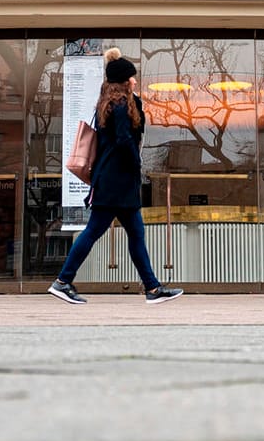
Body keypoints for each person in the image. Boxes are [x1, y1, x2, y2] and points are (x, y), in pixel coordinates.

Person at [48, 49, 184, 305]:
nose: (135, 81)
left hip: (115, 181)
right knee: (94, 231)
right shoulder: (121, 105)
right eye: (131, 78)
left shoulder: (111, 102)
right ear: (123, 81)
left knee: (134, 233)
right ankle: (62, 282)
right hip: (115, 181)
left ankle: (152, 289)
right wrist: (137, 164)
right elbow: (123, 140)